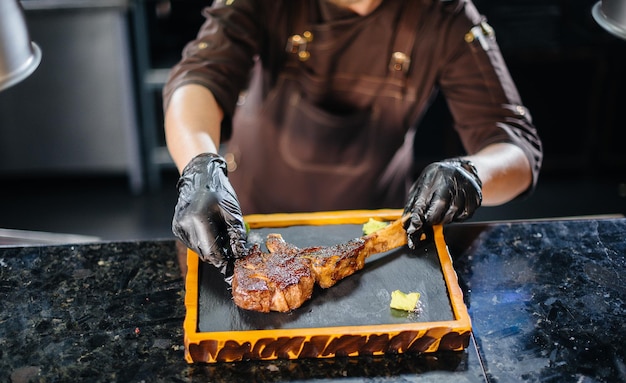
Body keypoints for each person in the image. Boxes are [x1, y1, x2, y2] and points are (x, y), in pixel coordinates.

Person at [163, 0, 543, 274]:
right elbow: (199, 78)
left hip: (378, 240)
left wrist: (471, 174)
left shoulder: (444, 14)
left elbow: (517, 147)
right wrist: (199, 168)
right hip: (251, 225)